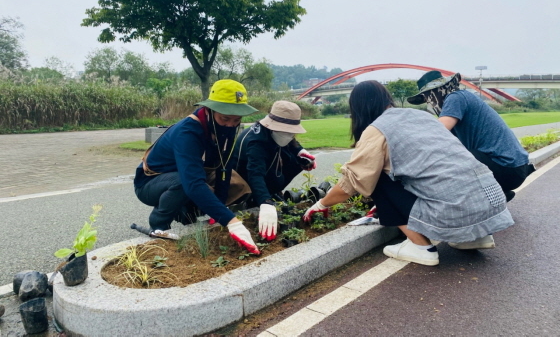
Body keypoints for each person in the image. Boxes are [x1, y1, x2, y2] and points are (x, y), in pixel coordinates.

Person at [303, 80, 514, 266]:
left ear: (358, 108)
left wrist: (322, 204)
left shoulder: (378, 129)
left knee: (376, 178)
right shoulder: (422, 116)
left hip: (455, 209)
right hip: (491, 202)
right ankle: (474, 237)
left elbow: (353, 182)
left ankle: (421, 248)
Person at [134, 79, 262, 254]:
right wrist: (231, 222)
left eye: (236, 119)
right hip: (151, 183)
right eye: (225, 118)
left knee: (236, 183)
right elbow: (193, 183)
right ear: (209, 110)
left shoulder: (227, 128)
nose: (231, 125)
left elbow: (224, 168)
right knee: (184, 183)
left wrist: (221, 211)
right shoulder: (187, 132)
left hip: (186, 175)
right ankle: (159, 225)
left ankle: (187, 213)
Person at [407, 71, 535, 202]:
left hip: (507, 168)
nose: (429, 102)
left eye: (428, 97)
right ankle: (494, 195)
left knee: (449, 158)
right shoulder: (460, 103)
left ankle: (483, 198)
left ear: (437, 91)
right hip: (512, 168)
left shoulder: (455, 97)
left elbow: (437, 133)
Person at [232, 100, 317, 241]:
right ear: (272, 126)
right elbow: (255, 174)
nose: (290, 136)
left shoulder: (273, 133)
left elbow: (290, 141)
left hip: (267, 167)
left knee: (296, 162)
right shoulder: (256, 142)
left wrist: (299, 151)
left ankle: (271, 193)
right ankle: (253, 200)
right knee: (263, 186)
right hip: (241, 179)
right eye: (287, 132)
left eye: (292, 133)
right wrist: (265, 202)